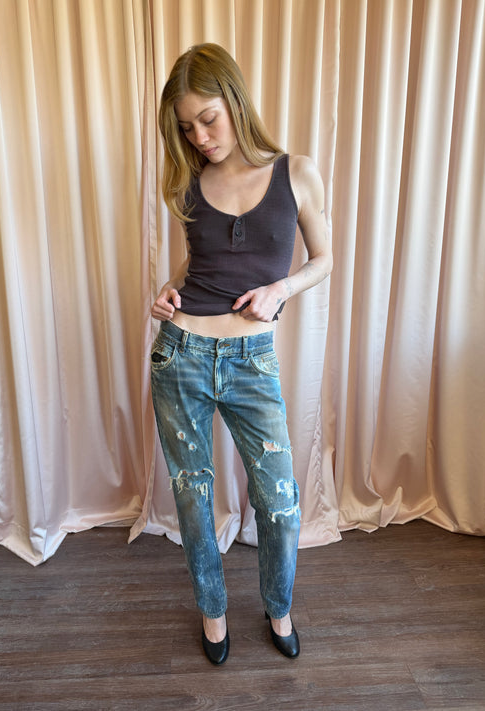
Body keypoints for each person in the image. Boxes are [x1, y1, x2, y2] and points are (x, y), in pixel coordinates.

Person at [151, 43, 332, 665]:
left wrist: (281, 289)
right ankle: (213, 610)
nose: (200, 138)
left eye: (208, 119)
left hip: (251, 359)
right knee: (193, 499)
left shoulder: (295, 172)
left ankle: (279, 607)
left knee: (278, 500)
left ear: (234, 100)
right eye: (186, 128)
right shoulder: (189, 183)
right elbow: (198, 261)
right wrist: (168, 289)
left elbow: (324, 259)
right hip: (180, 355)